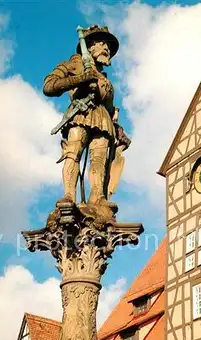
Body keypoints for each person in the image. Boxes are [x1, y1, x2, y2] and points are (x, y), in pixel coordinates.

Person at [43, 25, 129, 206]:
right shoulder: (74, 64)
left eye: (108, 47)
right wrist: (80, 79)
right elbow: (49, 86)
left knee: (99, 161)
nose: (107, 49)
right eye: (102, 44)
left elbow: (109, 108)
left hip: (103, 119)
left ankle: (97, 199)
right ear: (90, 46)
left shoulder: (105, 80)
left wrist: (118, 128)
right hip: (80, 113)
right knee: (73, 152)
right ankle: (69, 196)